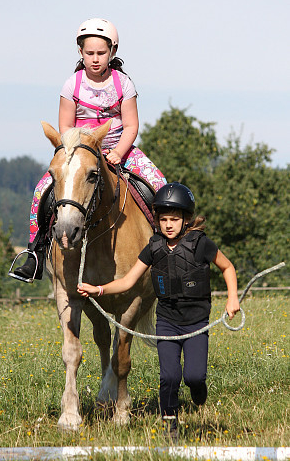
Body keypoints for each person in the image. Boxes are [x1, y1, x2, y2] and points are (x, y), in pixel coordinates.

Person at [77, 182, 240, 440]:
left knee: (194, 376)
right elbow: (128, 281)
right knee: (169, 376)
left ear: (186, 219)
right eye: (163, 219)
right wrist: (98, 289)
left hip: (196, 322)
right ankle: (170, 424)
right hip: (167, 322)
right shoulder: (153, 248)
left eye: (174, 219)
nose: (168, 225)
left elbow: (228, 267)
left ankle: (198, 390)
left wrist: (232, 298)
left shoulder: (201, 244)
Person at [11, 18, 166, 283]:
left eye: (101, 53)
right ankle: (35, 253)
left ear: (112, 52)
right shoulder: (72, 84)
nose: (95, 59)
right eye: (89, 53)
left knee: (160, 186)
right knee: (41, 192)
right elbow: (65, 126)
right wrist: (78, 150)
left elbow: (131, 125)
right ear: (80, 53)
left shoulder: (123, 83)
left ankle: (168, 251)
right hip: (80, 150)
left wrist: (118, 152)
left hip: (119, 148)